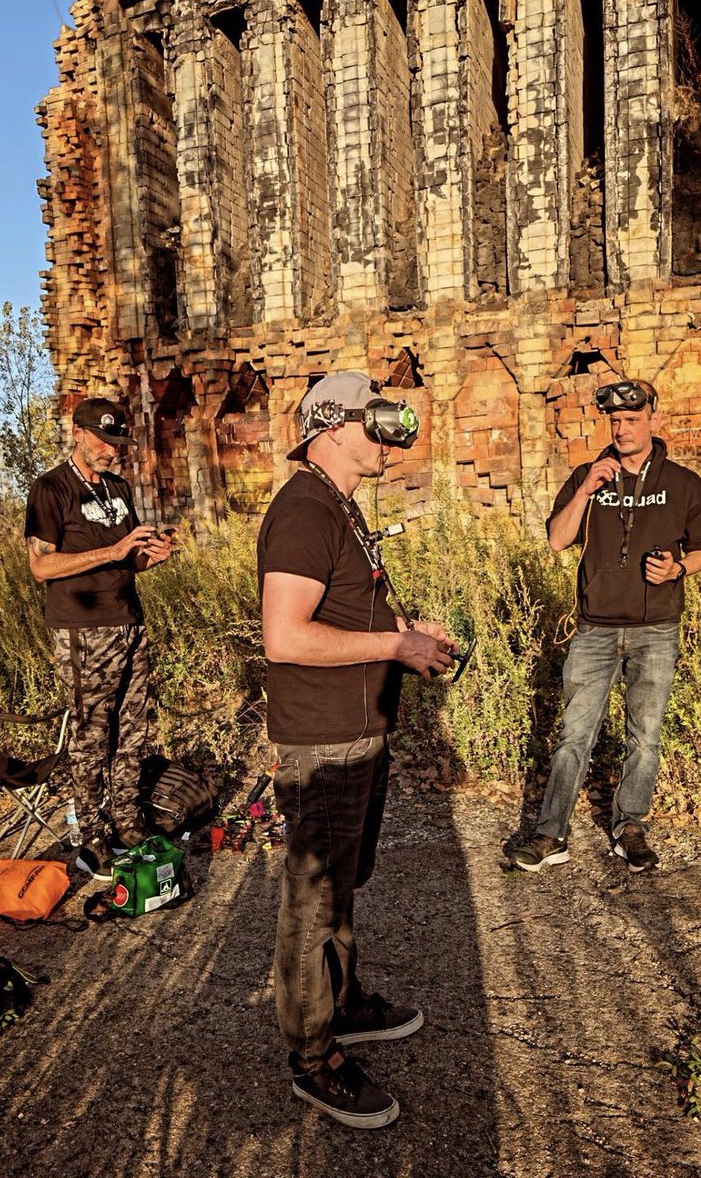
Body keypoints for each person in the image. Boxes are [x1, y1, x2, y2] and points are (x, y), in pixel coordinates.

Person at [257, 370, 456, 1129]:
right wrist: (394, 644)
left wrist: (411, 635)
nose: (387, 438)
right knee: (312, 900)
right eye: (375, 422)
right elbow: (286, 636)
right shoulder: (305, 511)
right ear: (333, 427)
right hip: (323, 740)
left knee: (343, 882)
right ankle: (313, 1058)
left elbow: (348, 605)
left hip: (358, 730)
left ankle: (343, 1003)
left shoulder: (338, 507)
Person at [514, 379, 701, 875]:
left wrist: (677, 569)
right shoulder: (589, 476)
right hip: (594, 630)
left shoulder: (684, 483)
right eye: (615, 421)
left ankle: (630, 828)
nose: (622, 429)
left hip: (656, 629)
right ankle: (550, 833)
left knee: (644, 735)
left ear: (653, 417)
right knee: (573, 734)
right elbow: (557, 541)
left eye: (632, 419)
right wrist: (585, 489)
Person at [24, 396, 174, 880]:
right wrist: (112, 550)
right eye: (105, 442)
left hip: (130, 622)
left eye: (118, 443)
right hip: (82, 632)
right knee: (92, 738)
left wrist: (151, 556)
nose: (113, 451)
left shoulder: (118, 488)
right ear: (78, 433)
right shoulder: (50, 489)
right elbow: (41, 566)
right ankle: (91, 837)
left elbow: (129, 560)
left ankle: (127, 823)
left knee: (133, 731)